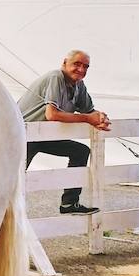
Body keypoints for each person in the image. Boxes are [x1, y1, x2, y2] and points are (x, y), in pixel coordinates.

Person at [18, 51, 111, 214]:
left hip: (45, 135)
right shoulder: (56, 77)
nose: (81, 70)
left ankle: (69, 204)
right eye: (77, 64)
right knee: (14, 177)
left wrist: (100, 118)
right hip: (23, 135)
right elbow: (52, 114)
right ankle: (1, 211)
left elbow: (89, 111)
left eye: (85, 66)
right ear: (64, 63)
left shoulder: (79, 85)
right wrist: (89, 119)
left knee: (81, 151)